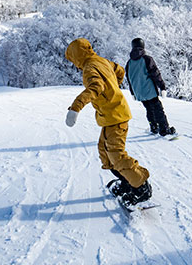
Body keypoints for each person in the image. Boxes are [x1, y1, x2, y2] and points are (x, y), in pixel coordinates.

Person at [64, 38, 152, 205]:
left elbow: (95, 87)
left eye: (73, 59)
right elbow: (120, 70)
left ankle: (141, 187)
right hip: (111, 116)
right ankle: (127, 181)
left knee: (116, 155)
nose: (74, 64)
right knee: (105, 153)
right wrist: (114, 88)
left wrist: (75, 108)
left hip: (116, 116)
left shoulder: (90, 68)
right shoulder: (101, 61)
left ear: (77, 56)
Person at [125, 38, 176, 137]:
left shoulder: (129, 63)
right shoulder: (147, 59)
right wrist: (162, 87)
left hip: (139, 92)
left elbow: (130, 79)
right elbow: (155, 74)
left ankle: (154, 127)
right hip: (149, 90)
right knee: (158, 109)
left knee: (149, 109)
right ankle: (164, 130)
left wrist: (132, 93)